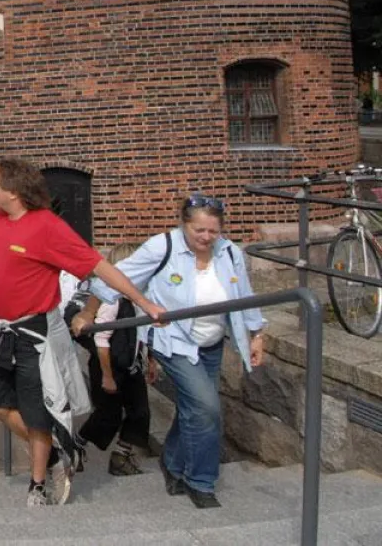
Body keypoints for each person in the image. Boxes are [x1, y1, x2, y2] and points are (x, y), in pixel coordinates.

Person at [0, 159, 164, 507]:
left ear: (12, 190)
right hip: (1, 329)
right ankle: (59, 450)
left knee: (34, 409)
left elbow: (100, 267)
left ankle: (38, 484)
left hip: (33, 331)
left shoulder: (47, 227)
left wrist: (144, 303)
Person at [72, 195, 266, 508]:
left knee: (195, 407)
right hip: (173, 340)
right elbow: (114, 278)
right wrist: (88, 313)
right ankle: (200, 480)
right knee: (207, 408)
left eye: (212, 232)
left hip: (211, 342)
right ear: (184, 223)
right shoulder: (162, 247)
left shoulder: (229, 253)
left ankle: (172, 464)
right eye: (198, 230)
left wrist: (256, 333)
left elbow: (244, 293)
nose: (205, 238)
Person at [73, 243, 152, 478]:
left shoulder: (139, 295)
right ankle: (76, 444)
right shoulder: (111, 298)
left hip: (130, 363)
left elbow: (143, 331)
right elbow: (102, 339)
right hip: (108, 364)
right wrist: (107, 376)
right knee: (107, 415)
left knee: (140, 412)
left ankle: (121, 455)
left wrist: (149, 359)